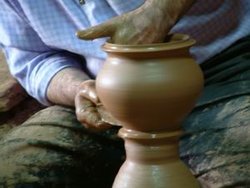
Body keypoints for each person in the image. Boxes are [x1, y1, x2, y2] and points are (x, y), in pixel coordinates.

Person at [0, 0, 249, 187]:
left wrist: (162, 10)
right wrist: (78, 88)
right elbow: (35, 59)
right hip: (107, 96)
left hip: (225, 67)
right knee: (13, 172)